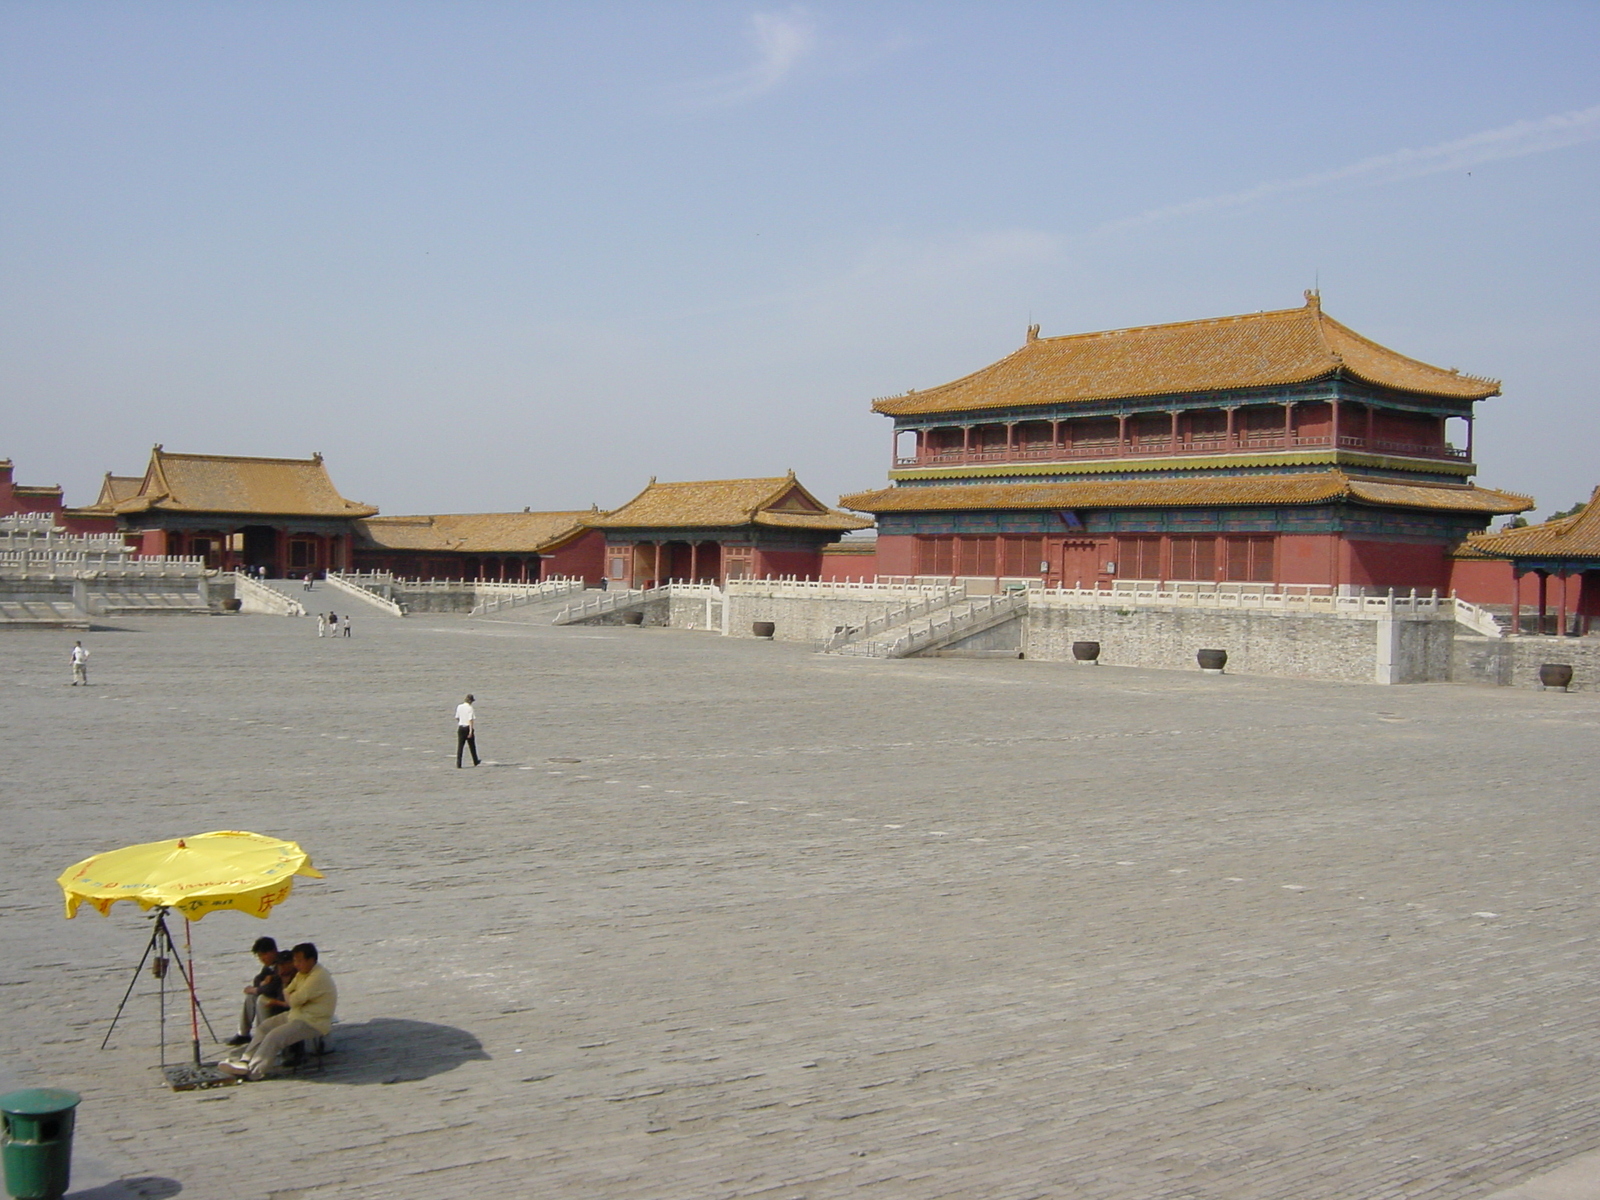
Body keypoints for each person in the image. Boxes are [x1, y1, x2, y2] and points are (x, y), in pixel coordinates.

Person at [220, 942, 336, 1081]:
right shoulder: (302, 973)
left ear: (311, 960)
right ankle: (245, 1061)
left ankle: (254, 1071)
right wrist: (290, 995)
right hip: (297, 1014)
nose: (296, 964)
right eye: (295, 960)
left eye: (299, 961)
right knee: (265, 1027)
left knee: (274, 1036)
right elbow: (288, 990)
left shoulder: (317, 977)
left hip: (312, 1022)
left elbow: (292, 1001)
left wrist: (290, 996)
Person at [227, 937, 283, 1046]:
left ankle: (263, 1034)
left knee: (260, 999)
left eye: (263, 955)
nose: (262, 959)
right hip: (271, 996)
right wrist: (261, 985)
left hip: (281, 1001)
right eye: (259, 956)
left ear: (273, 951)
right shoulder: (268, 967)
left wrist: (257, 988)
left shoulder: (282, 964)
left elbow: (273, 987)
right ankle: (243, 1033)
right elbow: (258, 979)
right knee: (250, 997)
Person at [455, 694, 480, 767]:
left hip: (460, 727)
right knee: (472, 746)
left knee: (460, 747)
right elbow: (470, 720)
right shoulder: (470, 708)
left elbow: (457, 717)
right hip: (467, 727)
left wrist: (460, 722)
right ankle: (475, 761)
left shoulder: (459, 707)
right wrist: (470, 731)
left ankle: (458, 764)